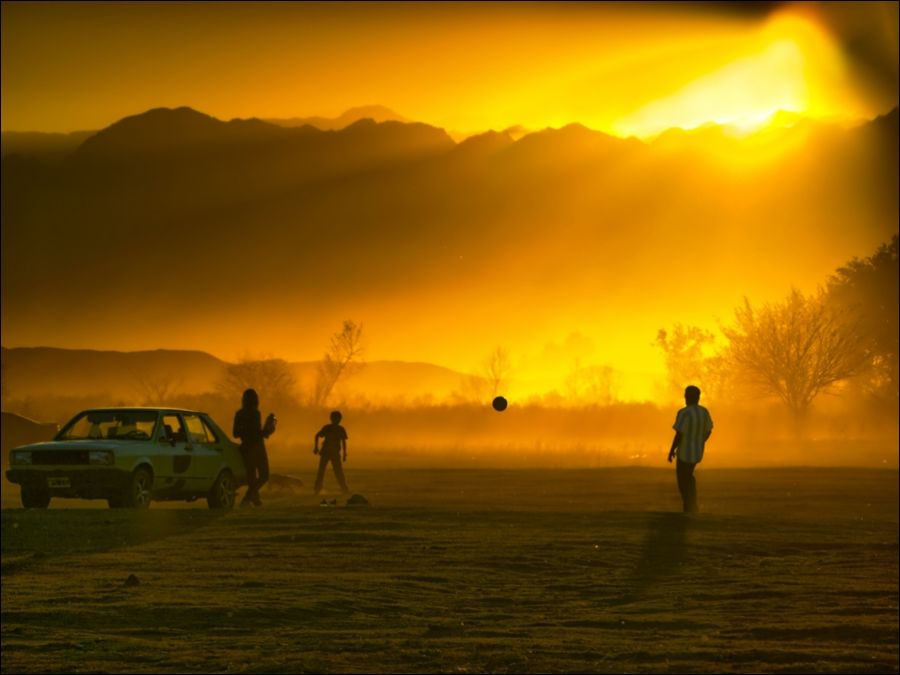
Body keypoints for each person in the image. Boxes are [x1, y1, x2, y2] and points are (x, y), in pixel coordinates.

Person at [667, 385, 713, 514]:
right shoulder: (704, 412)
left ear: (687, 397)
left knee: (683, 481)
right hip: (697, 453)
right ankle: (691, 505)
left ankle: (690, 506)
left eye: (686, 395)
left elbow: (679, 434)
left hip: (684, 453)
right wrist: (701, 441)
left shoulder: (684, 413)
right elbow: (709, 430)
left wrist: (671, 451)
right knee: (688, 477)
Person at [233, 388, 276, 507]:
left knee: (252, 476)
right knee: (264, 475)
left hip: (245, 448)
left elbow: (235, 433)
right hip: (257, 447)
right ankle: (248, 497)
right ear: (255, 400)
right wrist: (268, 431)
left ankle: (255, 499)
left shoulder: (239, 413)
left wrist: (248, 433)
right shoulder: (256, 413)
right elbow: (256, 433)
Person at [314, 410, 349, 495]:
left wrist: (344, 454)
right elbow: (317, 435)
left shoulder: (340, 429)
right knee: (322, 471)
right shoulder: (328, 428)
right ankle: (318, 488)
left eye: (337, 418)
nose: (336, 420)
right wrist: (315, 447)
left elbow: (343, 441)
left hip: (334, 453)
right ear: (332, 418)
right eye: (335, 418)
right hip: (326, 452)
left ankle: (344, 489)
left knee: (338, 471)